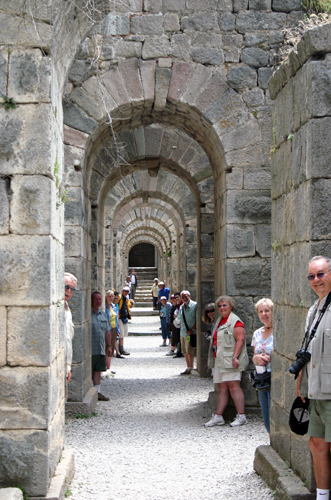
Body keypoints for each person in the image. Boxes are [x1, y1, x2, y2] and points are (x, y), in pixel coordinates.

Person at [296, 256, 331, 500]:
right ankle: (322, 495)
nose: (316, 280)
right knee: (316, 445)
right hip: (315, 392)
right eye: (311, 276)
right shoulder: (314, 309)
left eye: (321, 274)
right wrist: (302, 386)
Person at [205, 295, 249, 427]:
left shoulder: (235, 321)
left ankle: (241, 416)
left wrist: (235, 357)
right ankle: (219, 416)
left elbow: (240, 340)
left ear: (231, 306)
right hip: (219, 358)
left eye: (224, 305)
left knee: (234, 386)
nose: (222, 308)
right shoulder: (220, 320)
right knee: (222, 387)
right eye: (220, 306)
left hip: (230, 359)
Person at [251, 298, 274, 435]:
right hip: (262, 378)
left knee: (274, 414)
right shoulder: (257, 333)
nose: (264, 314)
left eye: (267, 310)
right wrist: (257, 358)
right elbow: (254, 355)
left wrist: (270, 358)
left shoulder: (278, 332)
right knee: (266, 416)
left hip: (273, 377)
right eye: (261, 311)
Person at [91, 291, 112, 401]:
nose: (98, 301)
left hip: (100, 348)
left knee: (97, 371)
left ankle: (98, 392)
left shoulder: (103, 314)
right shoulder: (88, 314)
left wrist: (109, 345)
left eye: (100, 299)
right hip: (90, 349)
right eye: (96, 299)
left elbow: (107, 331)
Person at [174, 290, 197, 375]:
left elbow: (197, 319)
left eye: (186, 296)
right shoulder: (181, 307)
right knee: (184, 351)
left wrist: (193, 329)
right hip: (183, 331)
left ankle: (191, 367)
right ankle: (188, 367)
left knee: (190, 350)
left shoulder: (195, 305)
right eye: (183, 297)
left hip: (190, 332)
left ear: (189, 296)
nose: (184, 298)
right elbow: (179, 318)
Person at [64, 272, 77, 398]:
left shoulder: (67, 308)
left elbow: (68, 339)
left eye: (71, 289)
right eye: (66, 287)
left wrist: (68, 366)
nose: (68, 291)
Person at [105, 290, 120, 369]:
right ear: (106, 297)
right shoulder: (104, 307)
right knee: (107, 346)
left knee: (111, 347)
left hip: (113, 328)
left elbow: (116, 319)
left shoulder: (114, 306)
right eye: (109, 296)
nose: (111, 298)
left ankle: (108, 367)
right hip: (107, 328)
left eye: (112, 296)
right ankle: (105, 366)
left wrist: (117, 330)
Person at [116, 286, 131, 356]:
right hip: (120, 318)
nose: (126, 292)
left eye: (127, 291)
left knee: (123, 334)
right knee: (121, 334)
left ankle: (121, 347)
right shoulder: (119, 298)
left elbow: (127, 307)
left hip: (125, 318)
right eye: (125, 291)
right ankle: (121, 349)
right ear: (122, 291)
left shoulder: (126, 299)